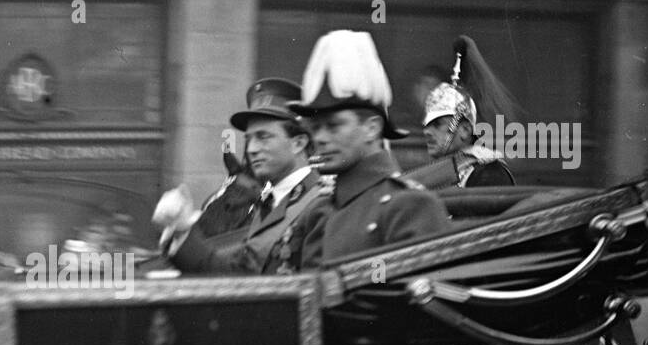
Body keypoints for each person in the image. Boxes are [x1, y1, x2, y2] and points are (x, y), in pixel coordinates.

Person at [292, 31, 450, 262]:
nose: (321, 138)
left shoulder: (408, 207)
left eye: (334, 126)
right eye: (315, 128)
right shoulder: (319, 212)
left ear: (372, 129)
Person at [154, 78, 327, 274]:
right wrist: (181, 228)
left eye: (263, 137)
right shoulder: (270, 202)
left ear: (298, 143)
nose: (251, 149)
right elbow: (233, 270)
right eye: (249, 139)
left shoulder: (318, 203)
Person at [409, 35, 518, 189]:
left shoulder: (489, 174)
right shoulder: (436, 173)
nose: (427, 131)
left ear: (465, 130)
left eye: (437, 124)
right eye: (426, 124)